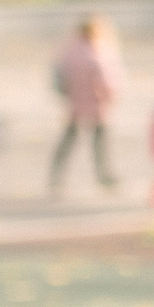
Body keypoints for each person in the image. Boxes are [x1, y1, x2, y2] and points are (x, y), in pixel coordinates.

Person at [48, 14, 125, 196]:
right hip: (97, 103)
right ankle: (104, 175)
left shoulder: (69, 50)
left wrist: (66, 93)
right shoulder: (99, 50)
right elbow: (108, 80)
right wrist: (111, 96)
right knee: (100, 142)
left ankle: (57, 176)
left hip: (75, 102)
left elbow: (59, 75)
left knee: (69, 139)